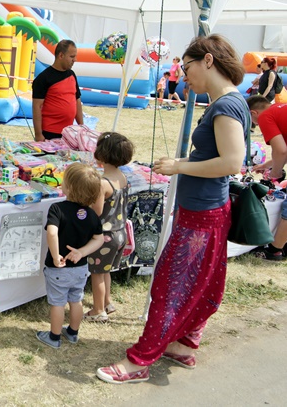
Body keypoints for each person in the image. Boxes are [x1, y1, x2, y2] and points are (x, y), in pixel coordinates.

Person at [97, 34, 248, 384]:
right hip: (203, 210)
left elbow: (231, 162)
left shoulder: (226, 105)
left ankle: (139, 362)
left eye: (187, 66)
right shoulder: (226, 101)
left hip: (203, 214)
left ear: (208, 60)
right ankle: (182, 345)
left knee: (170, 286)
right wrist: (181, 164)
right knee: (198, 283)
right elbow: (218, 157)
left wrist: (180, 167)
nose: (183, 75)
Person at [37, 162, 103, 349]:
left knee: (58, 303)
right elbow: (99, 239)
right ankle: (73, 333)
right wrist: (82, 252)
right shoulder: (92, 214)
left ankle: (54, 337)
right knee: (76, 299)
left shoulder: (57, 208)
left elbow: (52, 233)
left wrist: (56, 255)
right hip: (81, 268)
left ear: (70, 188)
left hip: (59, 268)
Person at [84, 132, 135, 322]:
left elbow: (96, 211)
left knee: (97, 273)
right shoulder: (122, 177)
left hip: (104, 236)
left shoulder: (102, 183)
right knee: (105, 270)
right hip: (120, 232)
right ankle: (107, 302)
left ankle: (98, 310)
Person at [247, 95, 287, 260]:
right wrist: (267, 165)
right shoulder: (280, 108)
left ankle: (274, 250)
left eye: (252, 121)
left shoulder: (265, 116)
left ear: (253, 113)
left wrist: (275, 173)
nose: (256, 125)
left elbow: (281, 151)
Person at [32, 40, 84, 140]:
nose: (75, 60)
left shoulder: (72, 75)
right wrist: (38, 134)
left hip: (68, 133)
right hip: (49, 133)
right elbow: (36, 107)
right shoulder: (43, 78)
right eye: (72, 56)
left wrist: (82, 127)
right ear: (61, 55)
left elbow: (77, 101)